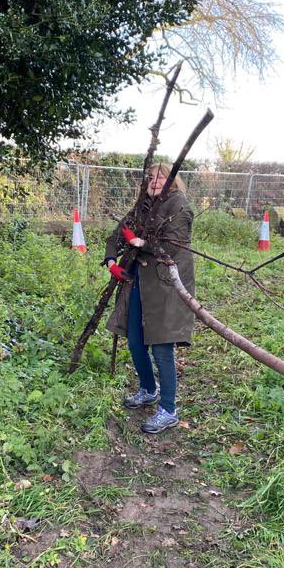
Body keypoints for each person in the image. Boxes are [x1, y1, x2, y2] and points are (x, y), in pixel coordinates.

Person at [103, 163, 195, 434]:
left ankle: (168, 409)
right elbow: (116, 235)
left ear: (172, 180)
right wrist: (111, 261)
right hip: (138, 281)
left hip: (167, 283)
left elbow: (170, 247)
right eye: (150, 177)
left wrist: (141, 243)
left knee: (161, 345)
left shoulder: (179, 206)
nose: (154, 181)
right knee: (134, 340)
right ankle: (148, 389)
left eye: (161, 176)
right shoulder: (143, 205)